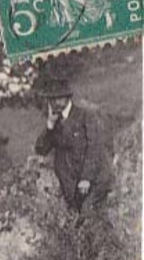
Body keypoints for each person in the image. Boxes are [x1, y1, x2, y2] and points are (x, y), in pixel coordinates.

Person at [34, 78, 114, 212]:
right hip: (73, 188)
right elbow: (41, 149)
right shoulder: (55, 121)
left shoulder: (85, 115)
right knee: (77, 220)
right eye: (51, 99)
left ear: (67, 97)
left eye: (58, 98)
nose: (54, 102)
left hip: (94, 181)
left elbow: (94, 149)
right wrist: (49, 125)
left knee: (88, 215)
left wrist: (86, 179)